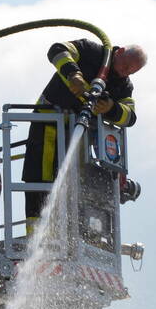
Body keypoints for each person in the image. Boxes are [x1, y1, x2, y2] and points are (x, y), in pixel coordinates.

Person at [22, 40, 146, 230]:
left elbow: (130, 117)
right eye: (126, 65)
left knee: (73, 186)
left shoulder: (124, 86)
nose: (125, 72)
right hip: (47, 123)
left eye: (131, 71)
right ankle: (34, 236)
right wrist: (73, 74)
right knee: (39, 180)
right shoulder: (91, 51)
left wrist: (111, 108)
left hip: (79, 137)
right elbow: (57, 49)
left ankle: (67, 234)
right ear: (120, 51)